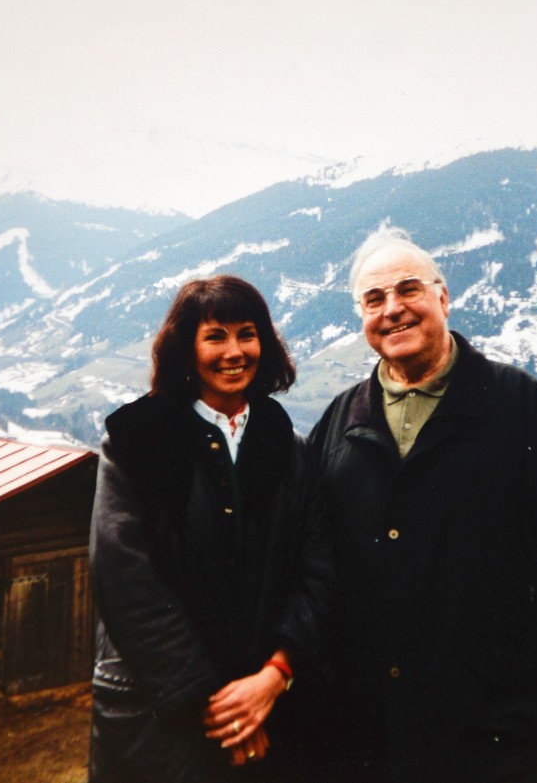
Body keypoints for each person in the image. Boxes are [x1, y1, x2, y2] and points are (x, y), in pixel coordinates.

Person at [307, 229, 537, 783]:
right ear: (361, 315)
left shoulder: (519, 407)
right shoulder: (339, 422)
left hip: (494, 730)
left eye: (409, 290)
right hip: (368, 734)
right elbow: (307, 564)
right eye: (374, 299)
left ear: (443, 298)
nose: (393, 309)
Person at [88, 275, 333, 783]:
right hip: (160, 718)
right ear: (186, 349)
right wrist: (220, 709)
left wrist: (274, 676)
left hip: (269, 706)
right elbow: (125, 580)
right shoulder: (137, 439)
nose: (234, 351)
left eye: (247, 333)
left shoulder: (288, 447)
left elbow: (319, 571)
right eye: (215, 336)